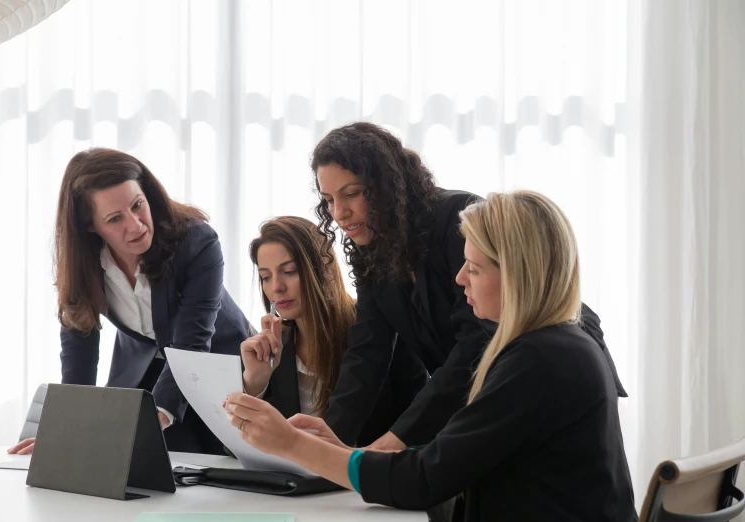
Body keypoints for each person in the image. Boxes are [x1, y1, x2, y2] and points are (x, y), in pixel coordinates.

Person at [223, 190, 638, 522]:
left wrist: (294, 444)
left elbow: (422, 478)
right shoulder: (549, 348)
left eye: (473, 269)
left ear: (516, 273)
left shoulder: (539, 361)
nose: (458, 278)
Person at [308, 121, 626, 449]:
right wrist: (327, 444)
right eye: (328, 200)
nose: (339, 213)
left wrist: (395, 440)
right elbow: (367, 352)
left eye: (351, 194)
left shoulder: (458, 218)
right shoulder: (371, 251)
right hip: (498, 385)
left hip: (557, 374)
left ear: (385, 186)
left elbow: (476, 339)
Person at [9, 148, 249, 456]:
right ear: (90, 226)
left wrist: (153, 419)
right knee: (136, 470)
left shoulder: (196, 242)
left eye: (138, 205)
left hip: (219, 367)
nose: (135, 225)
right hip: (148, 372)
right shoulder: (81, 264)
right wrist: (65, 431)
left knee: (216, 475)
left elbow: (191, 344)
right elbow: (78, 355)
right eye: (114, 219)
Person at [240, 216, 427, 446]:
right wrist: (254, 385)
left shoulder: (377, 332)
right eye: (265, 277)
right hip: (299, 479)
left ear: (321, 270)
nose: (276, 287)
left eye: (289, 271)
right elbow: (235, 448)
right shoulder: (273, 345)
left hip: (368, 476)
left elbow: (422, 425)